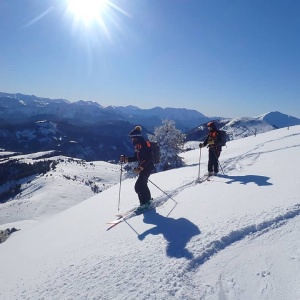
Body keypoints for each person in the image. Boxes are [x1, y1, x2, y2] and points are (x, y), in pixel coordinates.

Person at [120, 125, 154, 210]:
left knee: (139, 186)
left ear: (137, 138)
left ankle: (145, 203)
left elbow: (149, 158)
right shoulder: (138, 146)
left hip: (147, 168)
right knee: (142, 185)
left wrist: (141, 167)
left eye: (132, 138)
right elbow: (136, 157)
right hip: (144, 168)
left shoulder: (145, 145)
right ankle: (147, 202)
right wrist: (126, 159)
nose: (131, 140)